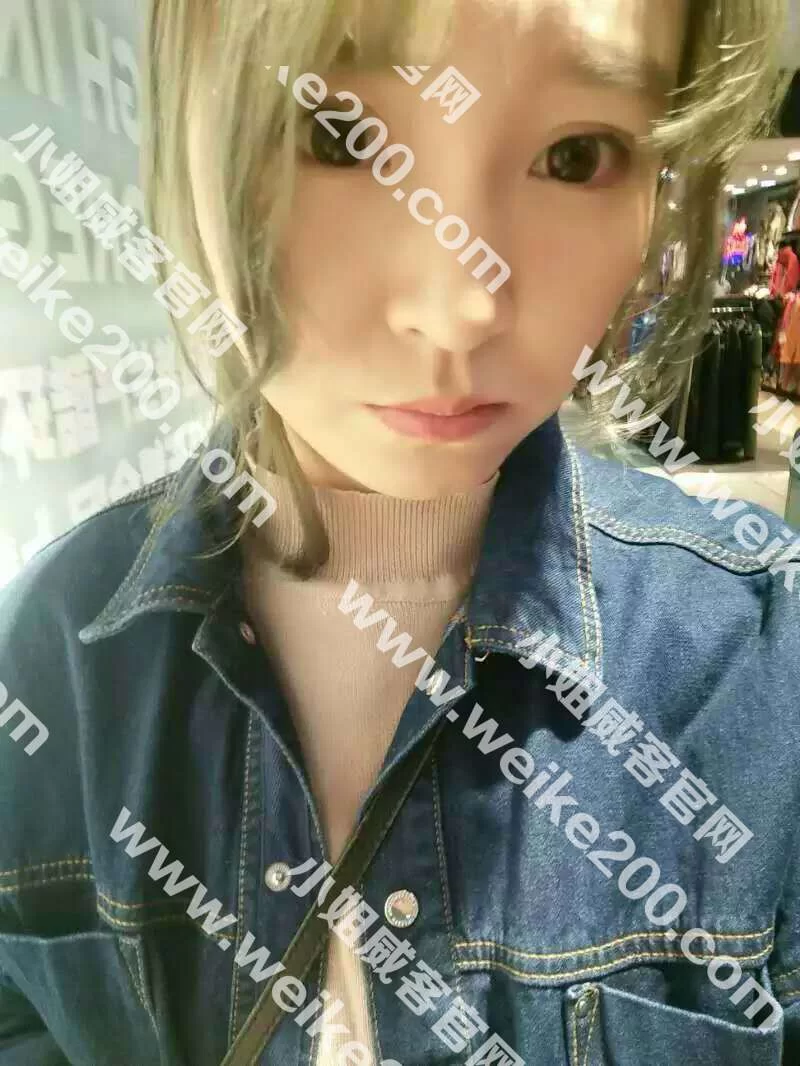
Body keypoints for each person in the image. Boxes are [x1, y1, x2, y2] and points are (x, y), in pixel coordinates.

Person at [1, 0, 798, 1064]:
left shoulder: (760, 664)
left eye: (576, 155)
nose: (460, 300)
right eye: (337, 136)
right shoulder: (48, 658)